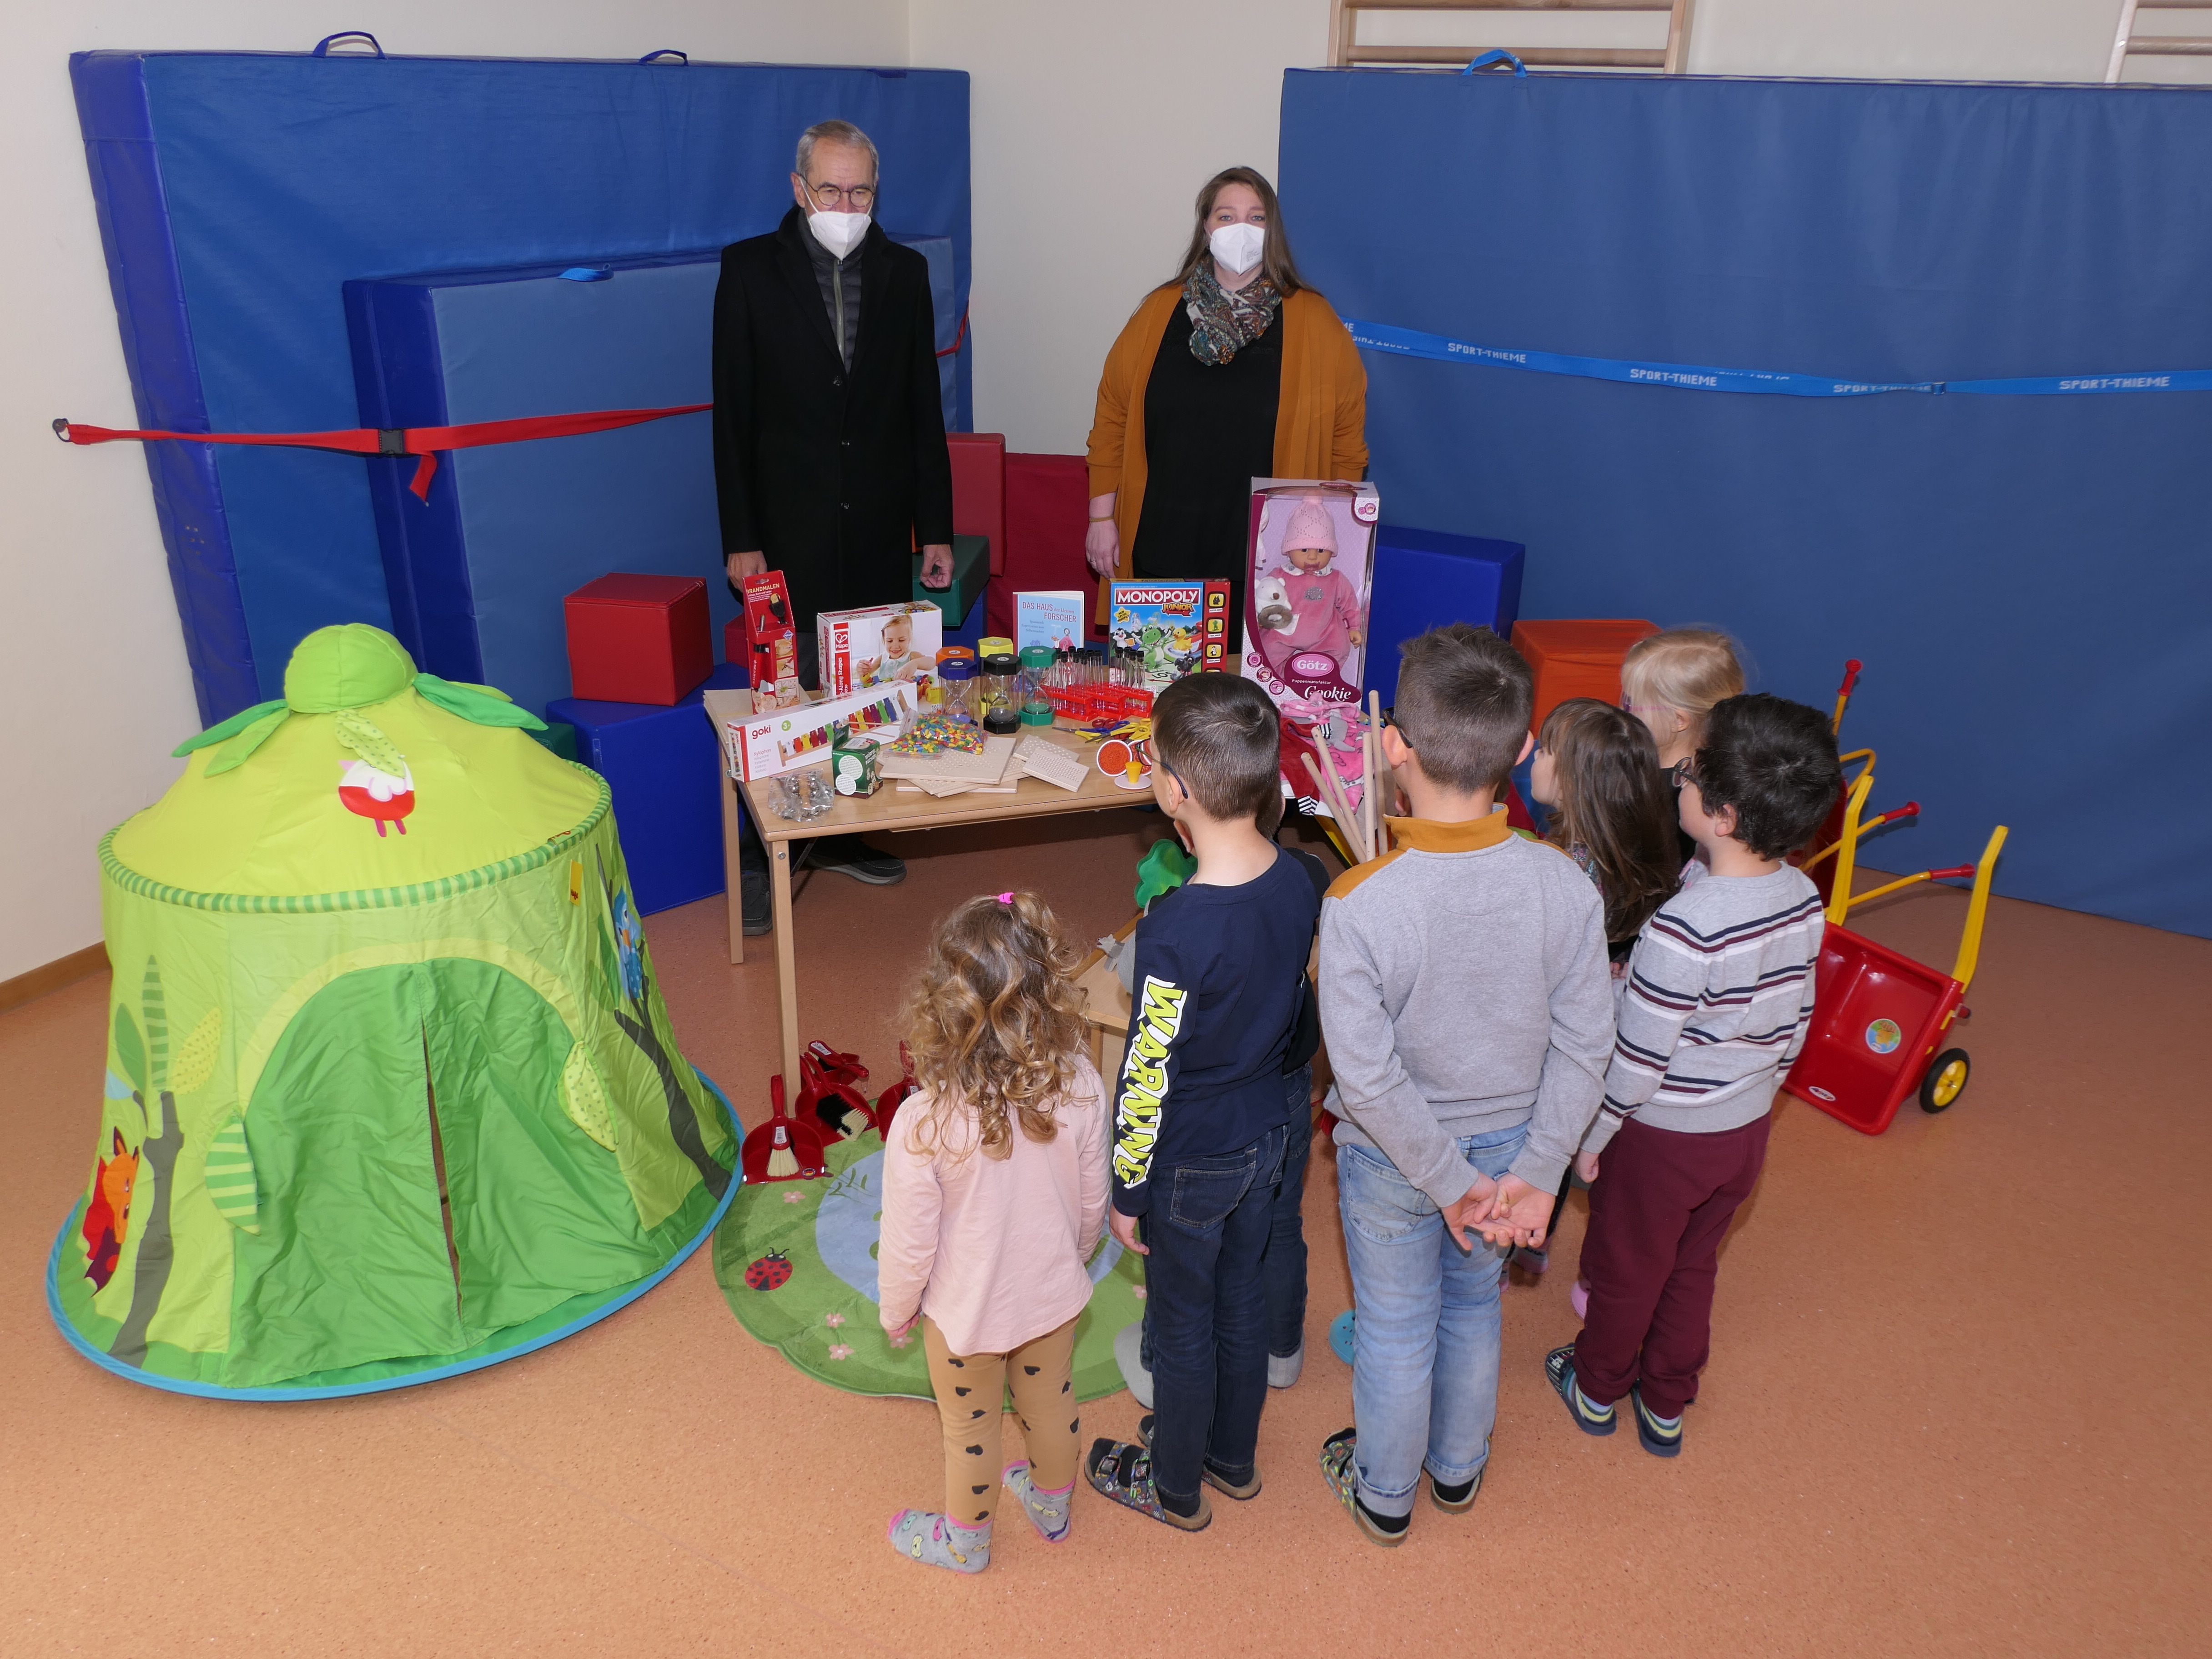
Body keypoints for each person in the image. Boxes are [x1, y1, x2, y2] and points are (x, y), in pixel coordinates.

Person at [1315, 623, 1614, 1548]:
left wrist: (1448, 1184)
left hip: (1396, 1163)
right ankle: (1456, 1471)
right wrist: (1534, 1172)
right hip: (1509, 1157)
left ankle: (1384, 1494)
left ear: (1392, 745)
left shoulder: (1358, 901)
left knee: (1396, 1329)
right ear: (1524, 750)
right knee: (1471, 1312)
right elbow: (1586, 1045)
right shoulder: (1565, 884)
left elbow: (1363, 1076)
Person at [1547, 694, 1840, 1459]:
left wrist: (1595, 1132)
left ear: (1722, 813)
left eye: (1688, 774)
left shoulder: (1684, 927)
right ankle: (1666, 1400)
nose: (1673, 779)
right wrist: (1759, 1095)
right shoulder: (1802, 898)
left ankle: (1596, 1383)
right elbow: (1795, 1016)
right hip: (1738, 1132)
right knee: (1691, 1264)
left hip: (1658, 1136)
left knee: (1626, 1267)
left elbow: (1640, 1055)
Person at [1085, 676, 1319, 1531]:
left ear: (1176, 791)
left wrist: (1126, 1189)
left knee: (1181, 1319)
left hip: (1190, 1157)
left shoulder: (1175, 927)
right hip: (1267, 1134)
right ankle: (1231, 1455)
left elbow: (1147, 1072)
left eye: (1151, 758)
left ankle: (1174, 1484)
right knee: (1241, 1300)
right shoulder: (1301, 876)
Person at [713, 119, 956, 930]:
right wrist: (740, 537)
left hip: (881, 523)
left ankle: (848, 827)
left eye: (860, 191)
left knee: (865, 691)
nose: (845, 205)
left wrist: (938, 529)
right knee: (784, 692)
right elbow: (732, 418)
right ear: (798, 189)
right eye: (830, 190)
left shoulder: (904, 271)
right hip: (785, 527)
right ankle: (761, 853)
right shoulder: (748, 270)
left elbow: (925, 407)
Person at [876, 891, 1109, 1574]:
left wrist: (897, 1311)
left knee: (971, 1431)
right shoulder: (1082, 1083)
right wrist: (1077, 1256)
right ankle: (1051, 1505)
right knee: (1051, 1404)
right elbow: (1094, 1199)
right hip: (1050, 1298)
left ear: (941, 1007)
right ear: (1048, 994)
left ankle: (966, 1544)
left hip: (963, 1316)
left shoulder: (922, 1123)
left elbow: (908, 1243)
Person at [1085, 167, 1367, 643]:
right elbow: (1111, 418)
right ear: (1205, 228)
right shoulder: (1158, 312)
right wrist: (1100, 519)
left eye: (1256, 218)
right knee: (1160, 692)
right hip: (1162, 542)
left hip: (1269, 559)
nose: (1241, 229)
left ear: (1272, 231)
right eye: (1226, 215)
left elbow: (1346, 441)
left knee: (1248, 703)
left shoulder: (1315, 321)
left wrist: (1329, 538)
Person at [1522, 696, 1681, 1287]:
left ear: (1571, 782)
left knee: (1539, 1135)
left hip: (1555, 1033)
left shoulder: (1564, 870)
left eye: (1544, 750)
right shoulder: (1638, 853)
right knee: (1561, 1140)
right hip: (1609, 1028)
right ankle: (1537, 1245)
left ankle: (1516, 1241)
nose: (1534, 759)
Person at [1620, 628, 1746, 770]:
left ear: (1678, 720)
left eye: (1630, 703)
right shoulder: (1726, 771)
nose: (1622, 709)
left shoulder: (1655, 787)